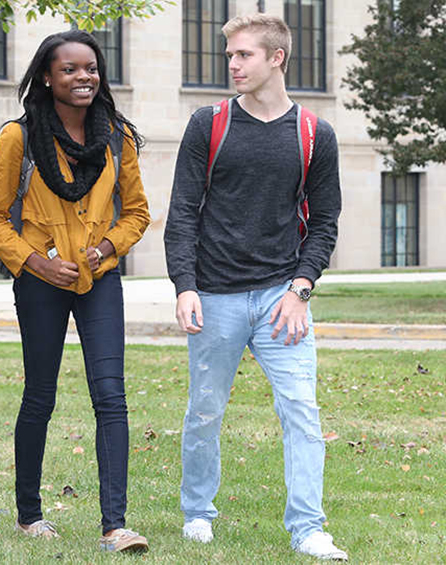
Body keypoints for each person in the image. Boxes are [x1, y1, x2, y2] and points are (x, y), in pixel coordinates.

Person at [164, 14, 348, 561]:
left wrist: (301, 287)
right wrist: (184, 285)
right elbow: (182, 213)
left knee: (302, 412)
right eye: (229, 56)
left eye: (243, 55)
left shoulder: (315, 134)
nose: (232, 65)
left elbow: (325, 222)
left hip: (279, 298)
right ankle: (198, 513)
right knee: (203, 411)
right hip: (215, 295)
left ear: (276, 59)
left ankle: (309, 528)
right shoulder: (208, 124)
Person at [0, 30, 150, 553]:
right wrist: (33, 263)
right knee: (40, 396)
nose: (84, 77)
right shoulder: (20, 137)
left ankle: (115, 526)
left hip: (99, 280)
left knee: (111, 396)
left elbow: (138, 213)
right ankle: (29, 514)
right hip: (40, 282)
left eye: (91, 68)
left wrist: (106, 250)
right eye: (70, 69)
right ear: (47, 77)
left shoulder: (117, 137)